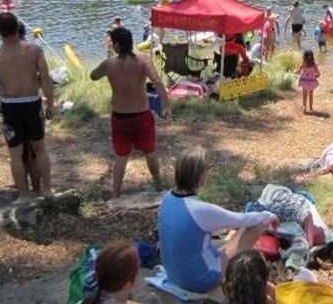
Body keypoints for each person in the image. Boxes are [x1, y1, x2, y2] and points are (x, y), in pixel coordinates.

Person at [158, 149, 278, 293]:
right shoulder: (200, 210)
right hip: (199, 280)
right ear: (201, 177)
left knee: (227, 239)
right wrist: (270, 216)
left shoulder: (166, 199)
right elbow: (241, 219)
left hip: (173, 275)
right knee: (257, 225)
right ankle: (232, 278)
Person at [90, 27, 171, 196]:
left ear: (117, 45)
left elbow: (93, 76)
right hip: (141, 115)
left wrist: (105, 63)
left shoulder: (109, 63)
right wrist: (165, 105)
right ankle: (158, 187)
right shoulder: (144, 60)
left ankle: (115, 193)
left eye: (112, 43)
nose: (111, 46)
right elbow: (157, 81)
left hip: (120, 117)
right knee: (150, 153)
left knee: (121, 156)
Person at [0, 12, 55, 201]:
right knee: (40, 149)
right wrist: (51, 103)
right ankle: (47, 190)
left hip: (10, 107)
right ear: (17, 28)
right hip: (32, 102)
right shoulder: (35, 50)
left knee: (15, 154)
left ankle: (24, 195)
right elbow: (46, 79)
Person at [297, 50, 321, 115]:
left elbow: (298, 71)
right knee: (311, 95)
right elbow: (318, 74)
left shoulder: (303, 63)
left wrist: (295, 72)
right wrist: (315, 75)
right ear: (312, 56)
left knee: (304, 95)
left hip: (304, 80)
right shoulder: (314, 64)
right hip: (311, 81)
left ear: (304, 56)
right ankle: (311, 108)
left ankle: (304, 108)